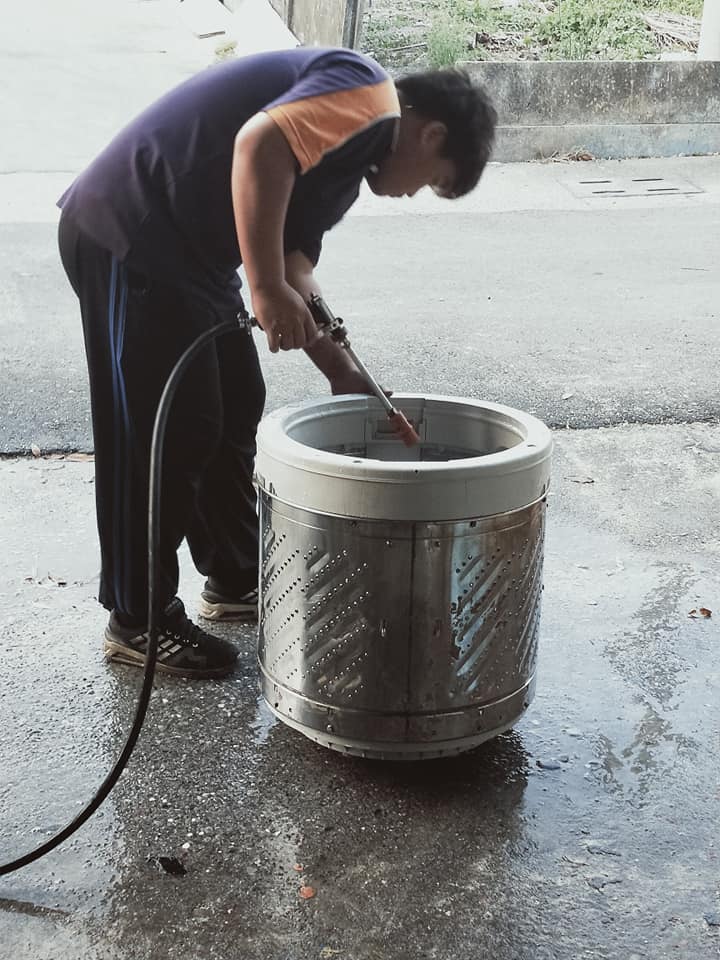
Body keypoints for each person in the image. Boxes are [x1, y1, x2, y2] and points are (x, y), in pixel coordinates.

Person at [57, 46, 497, 680]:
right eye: (431, 180)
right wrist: (262, 288)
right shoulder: (367, 93)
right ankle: (137, 619)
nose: (410, 193)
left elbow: (295, 266)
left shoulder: (350, 158)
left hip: (191, 258)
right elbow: (259, 145)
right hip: (133, 232)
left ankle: (234, 575)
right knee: (168, 430)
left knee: (237, 401)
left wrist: (340, 368)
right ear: (431, 135)